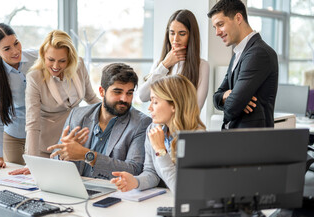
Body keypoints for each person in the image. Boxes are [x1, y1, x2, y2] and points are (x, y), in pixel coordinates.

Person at [9, 30, 100, 175]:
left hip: (75, 145)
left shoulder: (80, 65)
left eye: (62, 61)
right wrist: (31, 162)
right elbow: (33, 121)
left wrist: (115, 111)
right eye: (51, 59)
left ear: (70, 59)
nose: (56, 66)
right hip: (48, 148)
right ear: (43, 55)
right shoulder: (35, 78)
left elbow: (92, 99)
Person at [45, 63, 151, 179]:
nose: (124, 99)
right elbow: (57, 158)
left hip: (114, 190)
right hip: (77, 186)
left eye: (129, 93)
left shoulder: (141, 123)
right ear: (102, 91)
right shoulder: (77, 115)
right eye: (117, 92)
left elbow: (134, 170)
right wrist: (62, 155)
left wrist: (88, 156)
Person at [111, 74, 206, 194]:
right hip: (163, 199)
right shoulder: (153, 128)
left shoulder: (197, 137)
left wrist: (161, 150)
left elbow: (183, 190)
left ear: (174, 105)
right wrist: (135, 182)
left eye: (155, 102)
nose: (149, 108)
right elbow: (152, 172)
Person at [208, 0, 278, 129]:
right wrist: (228, 95)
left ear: (238, 18)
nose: (217, 32)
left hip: (251, 141)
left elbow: (233, 107)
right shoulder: (238, 54)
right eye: (215, 27)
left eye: (220, 24)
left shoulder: (258, 53)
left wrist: (236, 100)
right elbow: (216, 97)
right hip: (237, 139)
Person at [0, 23, 38, 171]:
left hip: (39, 134)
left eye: (16, 43)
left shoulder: (36, 56)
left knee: (41, 178)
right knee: (16, 180)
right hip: (13, 137)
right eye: (7, 48)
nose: (15, 51)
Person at [139, 9, 209, 110]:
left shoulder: (202, 66)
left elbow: (196, 109)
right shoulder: (160, 63)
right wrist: (164, 66)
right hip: (158, 125)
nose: (175, 39)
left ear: (191, 36)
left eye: (182, 34)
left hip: (183, 126)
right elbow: (143, 96)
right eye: (172, 33)